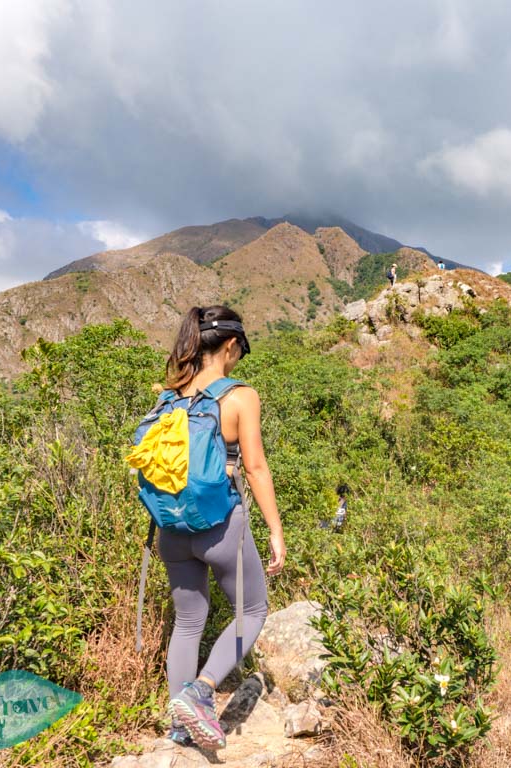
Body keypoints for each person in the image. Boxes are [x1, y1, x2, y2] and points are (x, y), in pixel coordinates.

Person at [159, 305, 286, 750]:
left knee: (189, 621)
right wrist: (275, 529)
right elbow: (254, 466)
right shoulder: (238, 395)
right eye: (238, 353)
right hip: (219, 526)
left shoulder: (168, 396)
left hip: (170, 528)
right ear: (230, 346)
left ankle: (179, 724)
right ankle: (202, 690)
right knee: (252, 611)